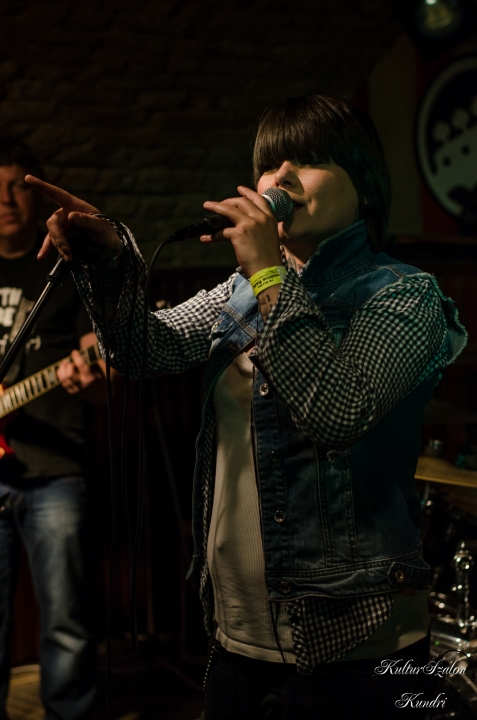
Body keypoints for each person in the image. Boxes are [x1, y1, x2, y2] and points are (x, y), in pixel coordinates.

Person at [28, 95, 467, 719]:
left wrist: (268, 276)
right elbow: (143, 349)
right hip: (237, 639)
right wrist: (110, 259)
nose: (279, 177)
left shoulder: (402, 295)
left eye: (307, 160)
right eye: (268, 164)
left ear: (365, 184)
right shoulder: (239, 292)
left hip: (355, 648)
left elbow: (337, 412)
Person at [0, 138, 110, 720]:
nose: (5, 201)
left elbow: (105, 374)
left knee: (67, 620)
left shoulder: (66, 270)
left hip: (57, 472)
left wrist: (88, 376)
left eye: (15, 188)